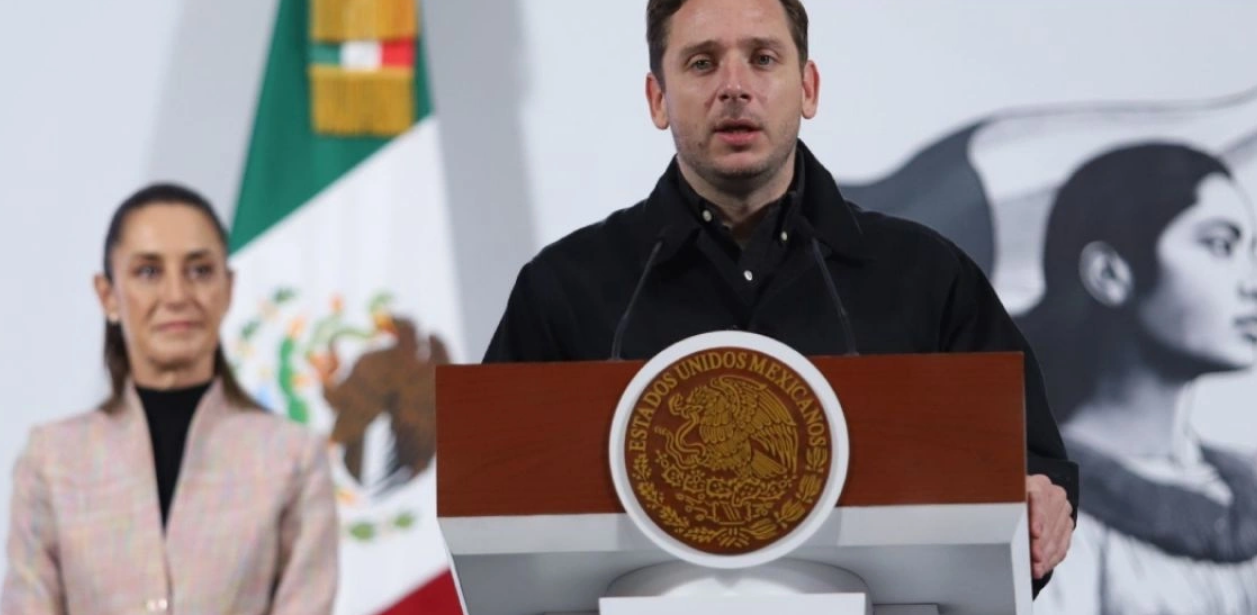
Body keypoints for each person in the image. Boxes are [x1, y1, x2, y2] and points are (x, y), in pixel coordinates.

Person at [483, 0, 1076, 595]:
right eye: (702, 63)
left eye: (763, 58)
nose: (734, 87)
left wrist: (1040, 508)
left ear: (808, 88)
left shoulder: (925, 274)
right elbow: (491, 496)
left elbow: (1031, 470)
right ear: (657, 98)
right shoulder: (565, 286)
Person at [1, 184, 338, 615]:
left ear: (228, 288)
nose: (177, 295)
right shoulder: (52, 460)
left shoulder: (291, 457)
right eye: (148, 271)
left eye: (199, 270)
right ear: (108, 294)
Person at [1024, 144, 1257, 615]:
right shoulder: (1042, 508)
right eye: (1219, 245)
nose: (1251, 282)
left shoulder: (1242, 481)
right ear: (1110, 274)